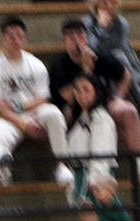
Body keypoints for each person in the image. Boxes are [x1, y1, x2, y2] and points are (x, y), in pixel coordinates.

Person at [0, 15, 74, 188]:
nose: (16, 40)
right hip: (3, 118)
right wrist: (22, 123)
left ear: (25, 39)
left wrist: (20, 106)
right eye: (11, 36)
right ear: (3, 39)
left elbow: (43, 98)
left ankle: (62, 167)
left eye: (20, 36)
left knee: (54, 114)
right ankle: (5, 182)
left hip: (32, 112)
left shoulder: (35, 64)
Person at [49, 18, 140, 174]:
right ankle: (64, 167)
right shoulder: (59, 67)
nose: (77, 40)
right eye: (71, 37)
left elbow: (125, 76)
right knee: (62, 117)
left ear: (86, 38)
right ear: (64, 41)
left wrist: (118, 96)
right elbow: (75, 97)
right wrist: (86, 70)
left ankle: (138, 161)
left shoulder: (101, 56)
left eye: (80, 35)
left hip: (105, 104)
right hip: (75, 109)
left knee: (129, 111)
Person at [66, 73, 120, 221]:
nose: (81, 95)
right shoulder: (82, 117)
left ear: (96, 92)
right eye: (77, 90)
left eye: (86, 90)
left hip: (93, 177)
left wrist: (95, 182)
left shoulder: (100, 118)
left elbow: (101, 152)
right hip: (82, 175)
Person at [83, 0, 140, 108]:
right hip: (99, 65)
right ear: (97, 3)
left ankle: (120, 100)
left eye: (112, 2)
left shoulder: (121, 23)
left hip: (123, 67)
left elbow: (123, 48)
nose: (109, 5)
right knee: (118, 56)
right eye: (104, 2)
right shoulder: (88, 23)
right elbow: (95, 48)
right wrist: (102, 27)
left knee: (119, 56)